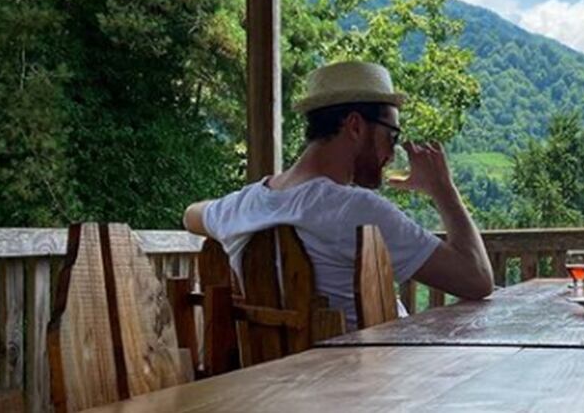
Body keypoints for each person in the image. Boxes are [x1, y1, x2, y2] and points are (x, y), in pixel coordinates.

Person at [182, 61, 493, 329]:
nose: (391, 153)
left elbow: (190, 215)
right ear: (355, 126)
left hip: (279, 373)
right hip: (366, 374)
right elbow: (477, 279)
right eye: (391, 135)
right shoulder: (357, 210)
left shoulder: (244, 205)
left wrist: (226, 214)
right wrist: (443, 189)